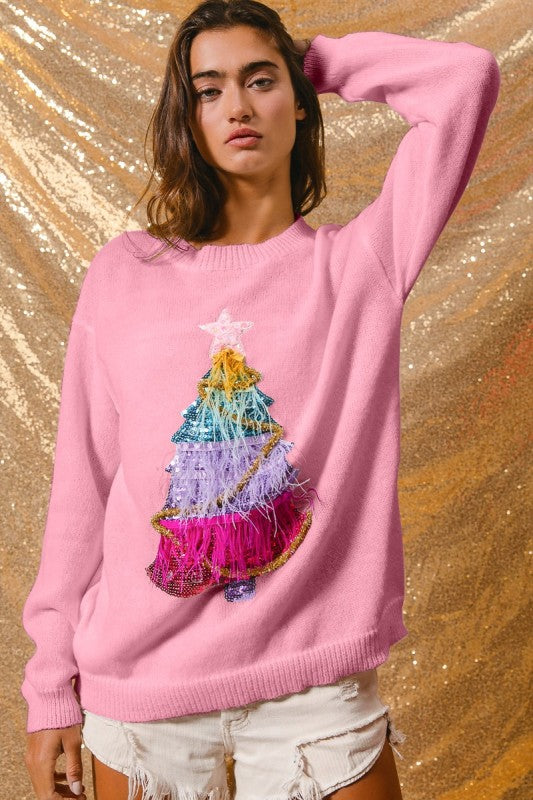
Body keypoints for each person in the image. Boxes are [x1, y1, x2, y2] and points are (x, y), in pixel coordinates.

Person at [21, 1, 500, 799]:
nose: (237, 107)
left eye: (260, 82)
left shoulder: (362, 264)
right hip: (142, 691)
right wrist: (49, 687)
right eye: (208, 91)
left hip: (313, 688)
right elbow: (83, 484)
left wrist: (312, 60)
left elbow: (464, 79)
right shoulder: (124, 273)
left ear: (299, 102)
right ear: (187, 118)